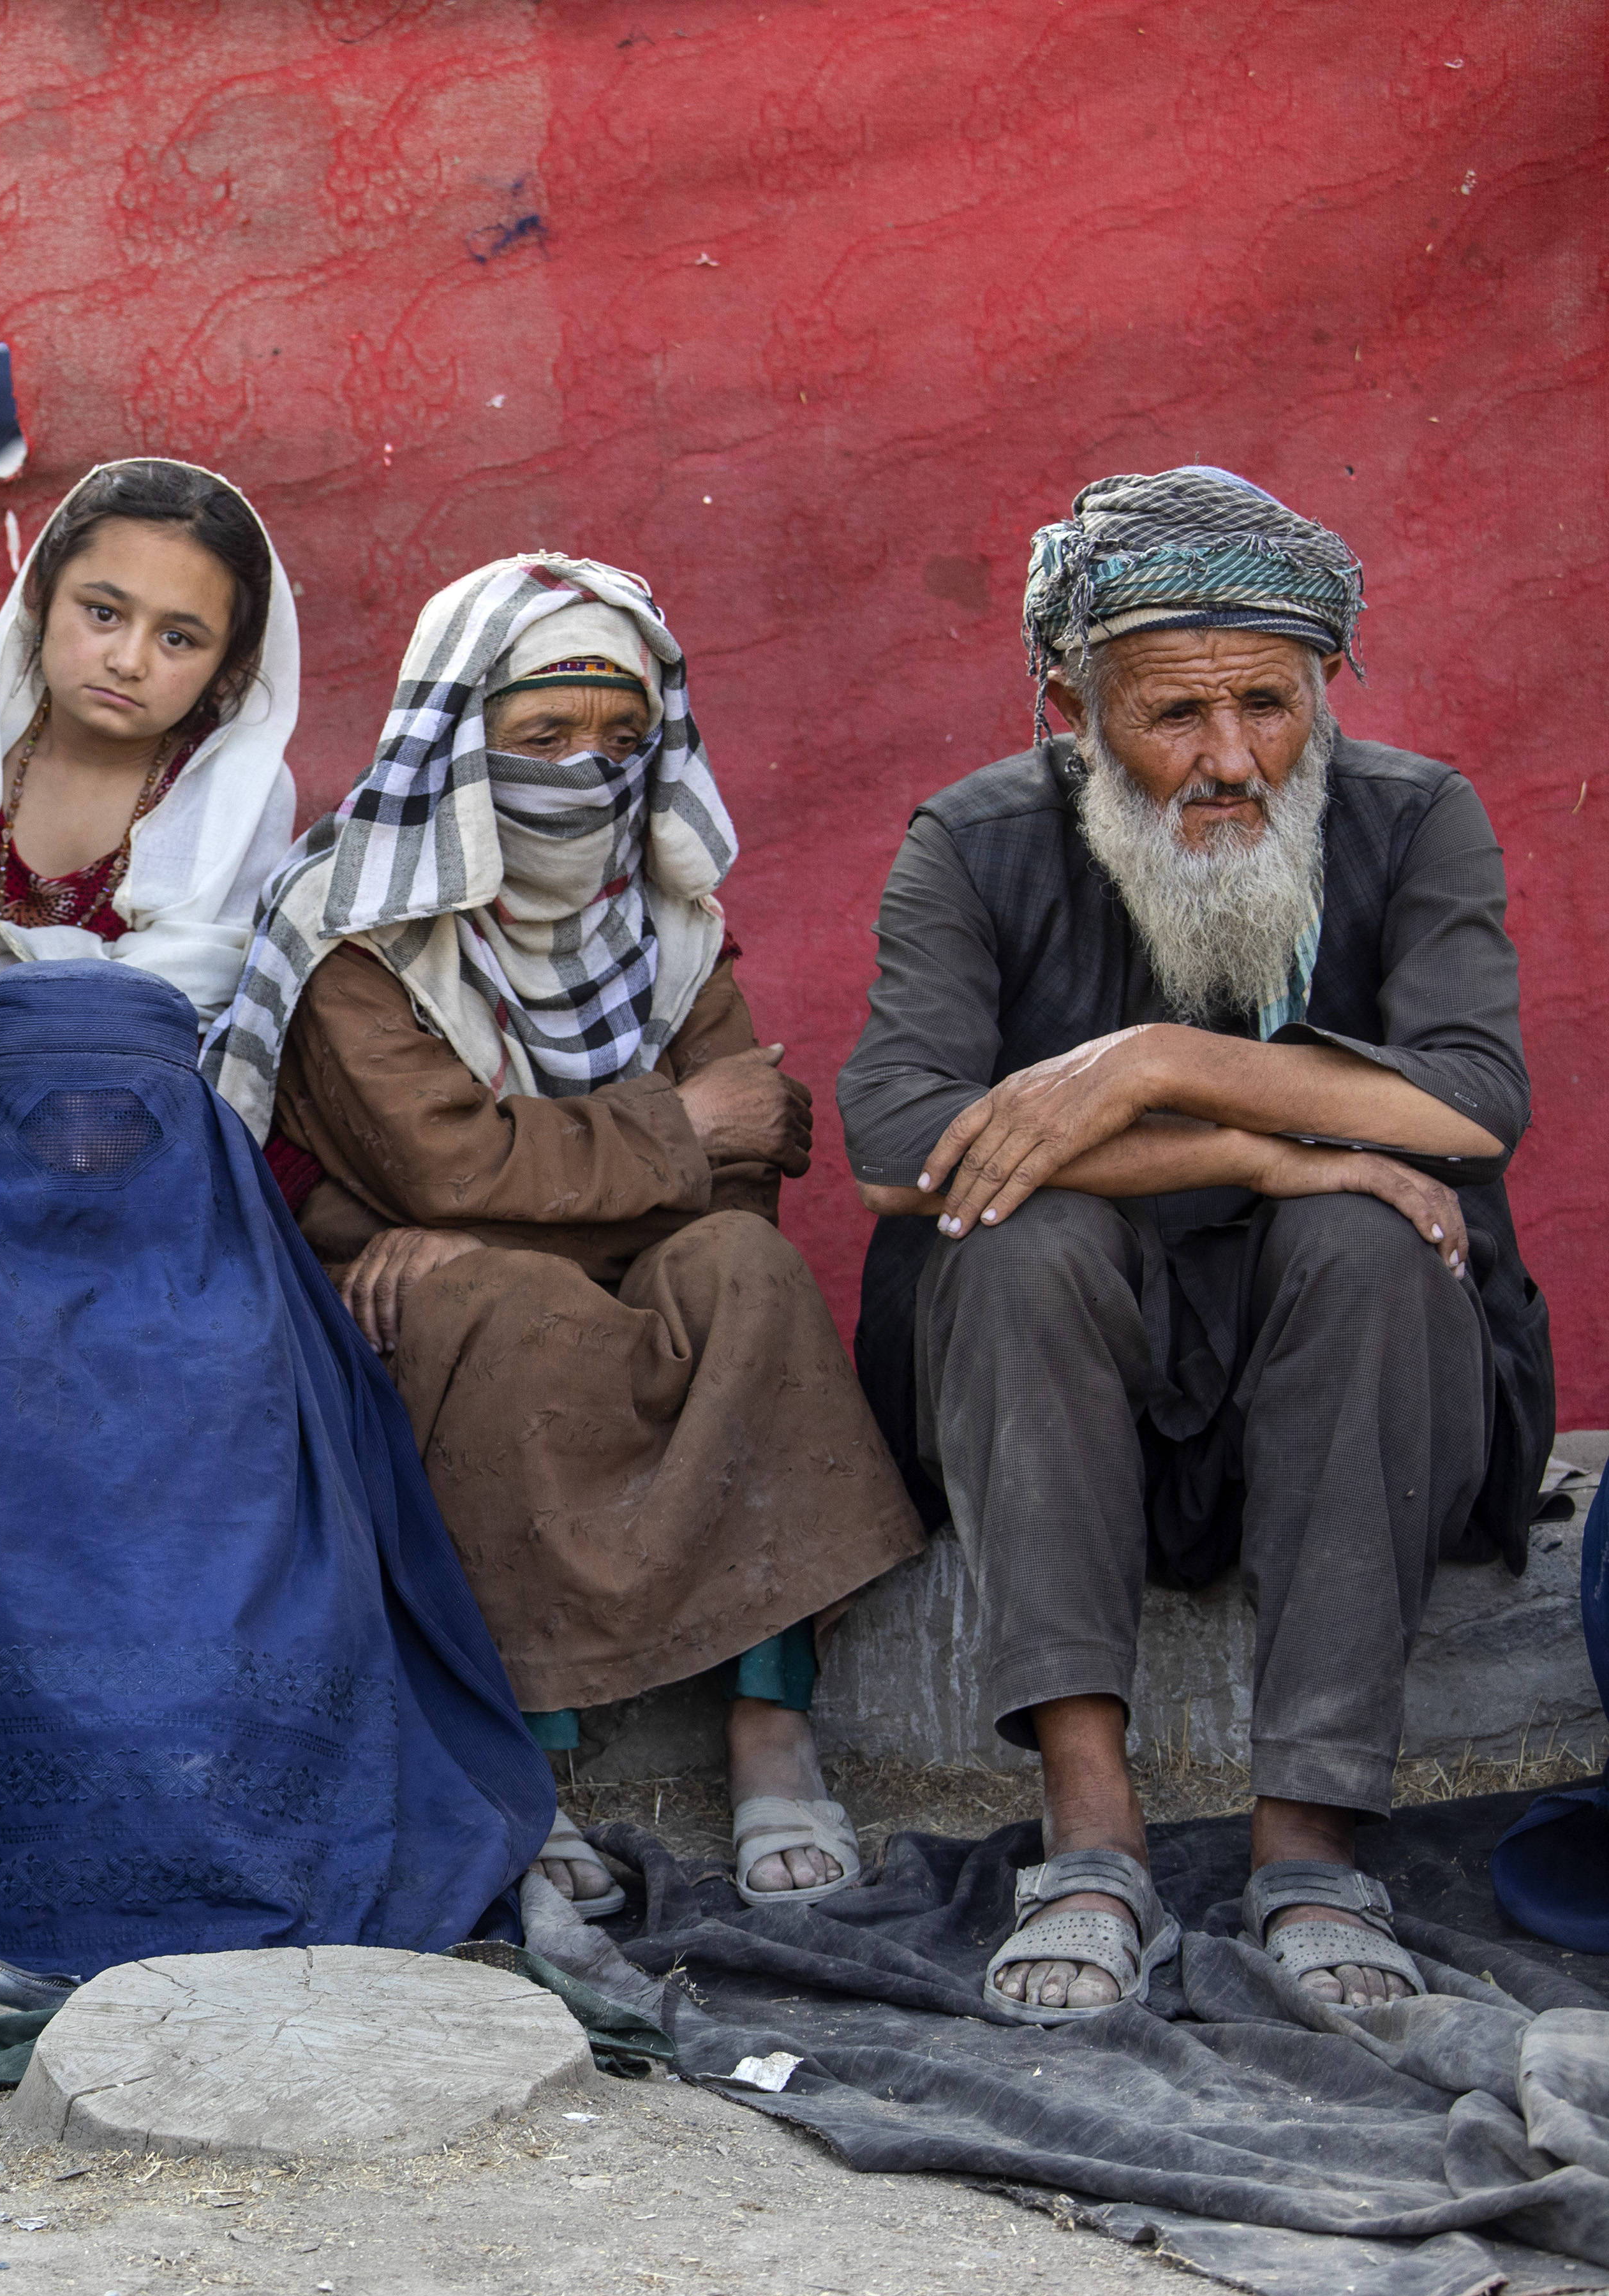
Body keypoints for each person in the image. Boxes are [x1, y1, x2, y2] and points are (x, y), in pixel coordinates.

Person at [838, 466, 1546, 2022]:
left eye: (1271, 706)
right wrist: (1250, 1147)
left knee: (1371, 1251)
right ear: (1064, 709)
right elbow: (897, 1142)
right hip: (1070, 1345)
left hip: (1346, 1352)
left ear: (1324, 690)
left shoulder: (1413, 816)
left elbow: (1476, 1103)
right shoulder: (973, 839)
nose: (1230, 761)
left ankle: (1309, 1847)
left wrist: (1159, 1056)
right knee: (1018, 1247)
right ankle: (1091, 1842)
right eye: (1172, 716)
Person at [204, 553, 926, 1918]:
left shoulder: (666, 917)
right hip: (417, 1297)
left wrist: (540, 1190)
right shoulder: (357, 925)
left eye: (620, 739)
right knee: (499, 1301)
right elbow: (441, 1156)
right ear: (462, 738)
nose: (585, 771)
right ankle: (522, 1760)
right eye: (541, 737)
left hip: (581, 1258)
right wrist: (662, 1137)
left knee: (743, 1269)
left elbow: (752, 1149)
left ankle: (770, 1724)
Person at [0, 961, 554, 2016]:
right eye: (45, 1121)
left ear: (193, 1120)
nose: (83, 1153)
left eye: (122, 1122)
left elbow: (318, 1572)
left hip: (233, 1741)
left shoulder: (262, 1315)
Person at [0, 458, 300, 1049]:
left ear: (229, 666)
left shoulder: (238, 793)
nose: (129, 661)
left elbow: (190, 995)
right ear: (41, 596)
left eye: (177, 638)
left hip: (116, 1113)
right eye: (104, 613)